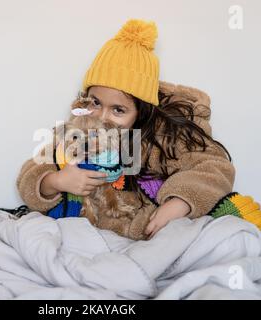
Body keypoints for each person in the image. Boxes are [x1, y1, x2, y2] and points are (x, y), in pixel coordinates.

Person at [16, 19, 235, 239]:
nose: (102, 117)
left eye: (118, 110)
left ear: (141, 112)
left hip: (149, 234)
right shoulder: (80, 129)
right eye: (95, 102)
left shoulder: (164, 136)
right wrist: (55, 181)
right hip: (91, 237)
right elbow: (31, 171)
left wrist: (181, 202)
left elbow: (213, 167)